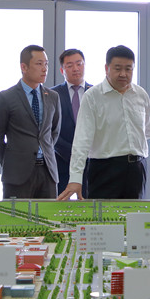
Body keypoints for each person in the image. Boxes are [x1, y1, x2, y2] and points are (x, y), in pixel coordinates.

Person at [57, 45, 150, 201]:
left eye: (128, 69)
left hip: (136, 170)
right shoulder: (93, 96)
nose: (123, 74)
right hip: (104, 169)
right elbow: (82, 140)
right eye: (118, 68)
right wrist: (75, 178)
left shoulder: (140, 94)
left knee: (135, 215)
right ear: (106, 68)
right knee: (102, 216)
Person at [0, 45, 62, 199]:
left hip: (48, 172)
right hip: (17, 174)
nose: (44, 69)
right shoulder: (6, 97)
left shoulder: (53, 97)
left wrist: (45, 150)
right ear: (24, 67)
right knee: (17, 215)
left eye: (46, 64)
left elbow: (54, 132)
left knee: (48, 214)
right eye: (39, 64)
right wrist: (11, 162)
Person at [50, 49, 91, 195]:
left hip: (90, 162)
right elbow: (49, 130)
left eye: (79, 64)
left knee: (89, 205)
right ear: (62, 70)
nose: (75, 68)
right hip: (61, 160)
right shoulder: (52, 94)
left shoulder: (96, 93)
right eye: (70, 65)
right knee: (60, 203)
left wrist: (85, 153)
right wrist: (72, 153)